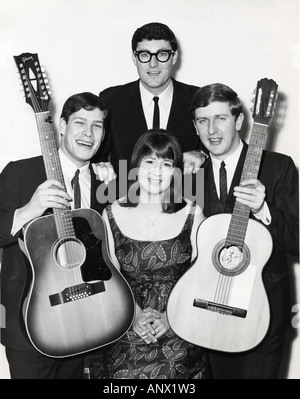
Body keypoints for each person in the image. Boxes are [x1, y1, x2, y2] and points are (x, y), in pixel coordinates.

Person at [0, 92, 115, 379]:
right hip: (30, 322)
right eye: (79, 123)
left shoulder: (108, 182)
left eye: (97, 126)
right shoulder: (20, 172)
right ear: (61, 125)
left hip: (90, 321)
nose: (88, 133)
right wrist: (30, 209)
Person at [190, 83, 299, 379]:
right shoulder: (187, 173)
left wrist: (264, 210)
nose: (212, 129)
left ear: (239, 121)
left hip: (262, 313)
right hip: (202, 309)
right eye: (203, 120)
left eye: (221, 118)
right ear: (195, 127)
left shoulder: (278, 167)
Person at [89, 129, 210, 379]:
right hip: (126, 321)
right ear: (136, 165)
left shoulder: (193, 212)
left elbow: (204, 275)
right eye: (150, 162)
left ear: (176, 171)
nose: (157, 172)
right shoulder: (110, 212)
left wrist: (170, 318)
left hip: (179, 323)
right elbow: (107, 277)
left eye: (166, 164)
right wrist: (134, 316)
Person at [95, 22, 207, 183]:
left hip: (183, 201)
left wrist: (202, 154)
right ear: (135, 58)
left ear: (174, 56)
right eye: (145, 55)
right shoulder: (111, 100)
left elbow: (220, 147)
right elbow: (96, 156)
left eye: (162, 54)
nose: (153, 64)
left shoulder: (197, 98)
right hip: (126, 201)